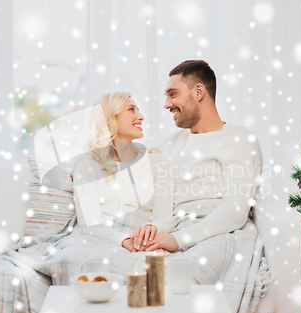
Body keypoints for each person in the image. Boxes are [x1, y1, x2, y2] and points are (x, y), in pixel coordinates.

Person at [141, 59, 263, 252]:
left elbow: (235, 210)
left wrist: (178, 240)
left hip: (218, 232)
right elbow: (127, 170)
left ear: (198, 92)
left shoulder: (239, 139)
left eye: (173, 94)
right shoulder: (168, 145)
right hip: (173, 230)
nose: (166, 105)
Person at [72, 91, 174, 253]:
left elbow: (164, 217)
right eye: (131, 110)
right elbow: (89, 224)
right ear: (109, 118)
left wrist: (149, 230)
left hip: (146, 240)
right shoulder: (88, 165)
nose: (141, 116)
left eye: (138, 110)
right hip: (102, 240)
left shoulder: (158, 163)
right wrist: (126, 242)